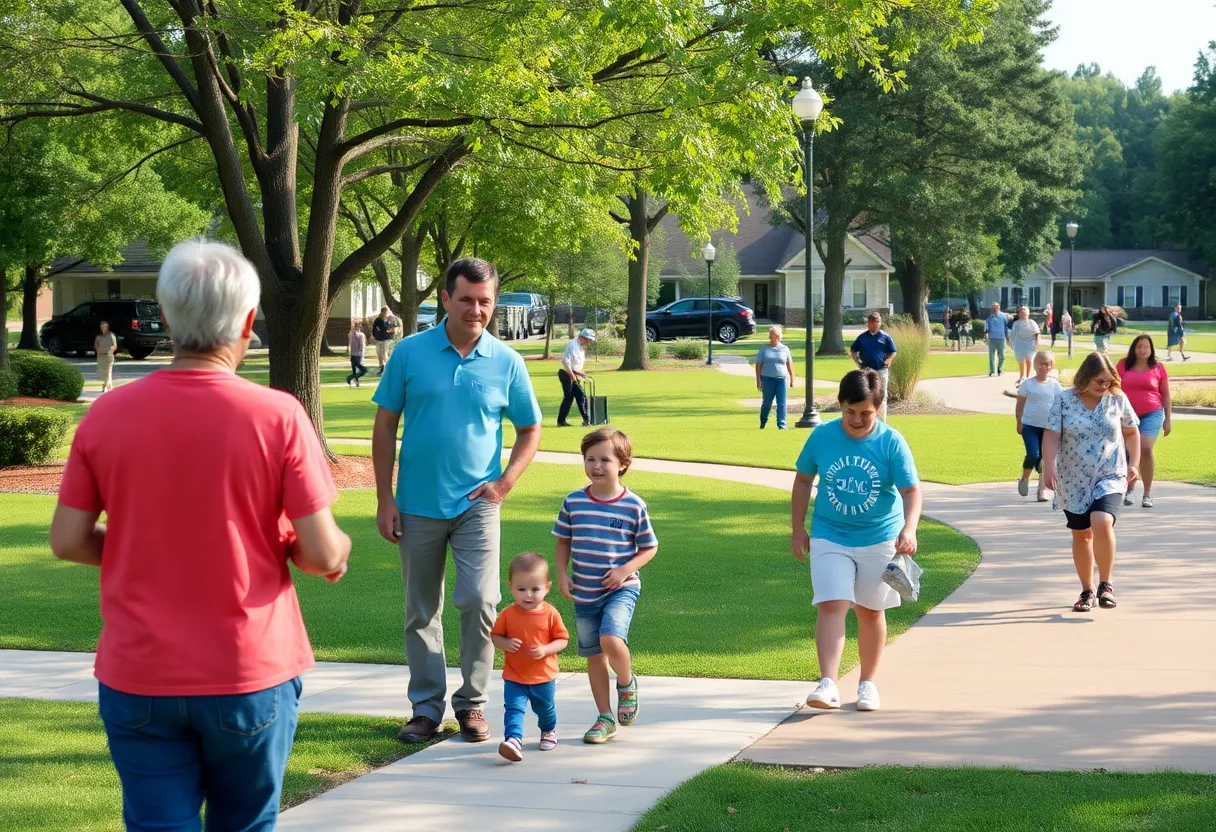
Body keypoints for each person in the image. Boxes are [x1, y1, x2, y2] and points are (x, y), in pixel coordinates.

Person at [49, 239, 351, 830]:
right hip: (249, 670)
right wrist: (324, 552)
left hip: (140, 673)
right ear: (246, 321)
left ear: (164, 315)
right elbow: (320, 551)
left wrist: (143, 551)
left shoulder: (106, 416)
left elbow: (67, 540)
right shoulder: (278, 416)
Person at [372, 258, 543, 745]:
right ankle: (426, 710)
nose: (476, 309)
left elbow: (530, 429)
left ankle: (471, 704)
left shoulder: (507, 361)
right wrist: (385, 500)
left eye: (485, 301)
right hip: (417, 505)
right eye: (466, 299)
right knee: (421, 610)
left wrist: (505, 482)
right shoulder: (409, 353)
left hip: (478, 505)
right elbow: (385, 425)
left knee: (481, 600)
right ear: (445, 299)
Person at [793, 369, 922, 713]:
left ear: (878, 408)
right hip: (829, 534)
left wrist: (908, 530)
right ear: (840, 404)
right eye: (850, 412)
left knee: (869, 610)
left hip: (880, 537)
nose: (856, 420)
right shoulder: (822, 437)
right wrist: (797, 528)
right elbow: (803, 480)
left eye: (866, 413)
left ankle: (867, 684)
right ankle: (828, 683)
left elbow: (911, 491)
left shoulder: (891, 441)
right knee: (832, 603)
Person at [554, 428, 658, 744]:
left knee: (611, 638)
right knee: (594, 655)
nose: (596, 466)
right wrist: (562, 573)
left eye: (605, 460)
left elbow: (649, 547)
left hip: (621, 588)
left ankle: (626, 684)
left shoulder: (633, 505)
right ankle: (604, 718)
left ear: (623, 464)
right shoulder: (573, 502)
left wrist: (625, 570)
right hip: (584, 590)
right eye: (590, 459)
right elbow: (563, 540)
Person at [1042, 352, 1140, 613]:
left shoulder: (1116, 400)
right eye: (1099, 381)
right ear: (1085, 377)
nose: (1103, 386)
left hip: (1110, 472)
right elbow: (1051, 436)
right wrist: (1047, 467)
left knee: (1101, 520)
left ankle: (1106, 585)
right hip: (1072, 478)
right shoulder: (1064, 399)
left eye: (1108, 381)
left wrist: (1134, 463)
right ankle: (1087, 590)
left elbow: (1131, 432)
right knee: (1082, 535)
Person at [491, 552, 570, 762]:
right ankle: (513, 739)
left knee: (545, 708)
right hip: (514, 675)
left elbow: (563, 639)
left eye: (535, 589)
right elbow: (495, 636)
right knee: (514, 708)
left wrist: (546, 650)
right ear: (510, 587)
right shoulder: (507, 614)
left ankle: (548, 730)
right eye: (521, 589)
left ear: (547, 587)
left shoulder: (550, 613)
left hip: (543, 676)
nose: (528, 595)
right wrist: (505, 643)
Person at [1116, 335, 1171, 508]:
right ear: (1134, 348)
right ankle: (1129, 490)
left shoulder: (1158, 368)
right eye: (1139, 347)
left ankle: (1147, 494)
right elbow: (1113, 388)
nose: (1142, 350)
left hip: (1152, 412)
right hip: (1126, 414)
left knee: (1145, 448)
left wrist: (1168, 419)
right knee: (1128, 451)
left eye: (1146, 347)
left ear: (1151, 349)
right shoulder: (1123, 366)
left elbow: (1166, 394)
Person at [1015, 350, 1062, 502]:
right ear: (1034, 365)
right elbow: (1020, 405)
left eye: (1047, 364)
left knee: (1044, 459)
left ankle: (1042, 490)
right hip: (1029, 426)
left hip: (1048, 428)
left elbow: (1061, 405)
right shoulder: (1027, 384)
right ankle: (1025, 479)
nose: (1043, 367)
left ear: (1051, 366)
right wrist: (1019, 422)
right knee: (1033, 455)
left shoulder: (1055, 385)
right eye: (1040, 363)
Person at [849, 312, 897, 419]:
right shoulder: (862, 337)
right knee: (867, 394)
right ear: (868, 323)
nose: (874, 325)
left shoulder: (885, 337)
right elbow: (853, 351)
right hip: (867, 371)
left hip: (881, 370)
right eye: (871, 323)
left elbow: (893, 351)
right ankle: (869, 418)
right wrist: (858, 362)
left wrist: (889, 359)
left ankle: (881, 421)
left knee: (882, 395)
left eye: (877, 322)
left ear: (879, 323)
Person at [755, 324, 795, 430]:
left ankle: (781, 424)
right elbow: (758, 365)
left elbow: (789, 364)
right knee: (767, 403)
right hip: (767, 379)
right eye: (770, 334)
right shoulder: (764, 349)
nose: (771, 336)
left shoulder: (785, 349)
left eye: (773, 334)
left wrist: (791, 378)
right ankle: (763, 421)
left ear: (778, 336)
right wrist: (758, 380)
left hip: (781, 379)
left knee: (781, 403)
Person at [558, 328, 595, 427]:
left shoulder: (580, 347)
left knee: (580, 396)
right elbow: (565, 362)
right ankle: (562, 421)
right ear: (583, 338)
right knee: (570, 397)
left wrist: (581, 374)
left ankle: (586, 419)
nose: (590, 342)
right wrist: (573, 376)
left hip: (573, 373)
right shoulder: (572, 345)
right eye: (589, 340)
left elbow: (575, 365)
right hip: (566, 373)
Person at [1010, 306, 1041, 384]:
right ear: (1019, 314)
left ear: (1028, 314)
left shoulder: (1032, 322)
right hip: (1019, 344)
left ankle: (1028, 376)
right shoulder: (1016, 323)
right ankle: (1021, 376)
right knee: (1021, 361)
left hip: (1030, 344)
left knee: (1029, 360)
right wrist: (1012, 343)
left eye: (1024, 312)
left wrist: (1037, 344)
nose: (1023, 314)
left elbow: (1037, 334)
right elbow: (1013, 334)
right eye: (1021, 312)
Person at [984, 302, 1010, 377]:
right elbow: (986, 328)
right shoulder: (989, 318)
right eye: (993, 308)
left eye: (996, 308)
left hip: (1001, 338)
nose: (994, 309)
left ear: (999, 308)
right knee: (991, 355)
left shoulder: (1003, 317)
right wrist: (986, 336)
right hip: (992, 338)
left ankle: (1000, 369)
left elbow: (1006, 327)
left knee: (1001, 355)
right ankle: (992, 370)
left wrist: (1007, 336)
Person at [372, 306, 397, 373]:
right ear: (382, 312)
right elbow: (378, 329)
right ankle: (382, 368)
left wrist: (389, 330)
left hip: (386, 340)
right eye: (384, 312)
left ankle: (388, 368)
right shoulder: (378, 320)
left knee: (384, 354)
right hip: (379, 339)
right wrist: (376, 335)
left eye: (386, 312)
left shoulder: (390, 320)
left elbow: (393, 329)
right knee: (379, 354)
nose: (385, 313)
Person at [95, 320, 117, 393]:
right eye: (102, 326)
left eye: (104, 326)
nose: (103, 328)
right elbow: (96, 345)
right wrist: (98, 350)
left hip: (109, 356)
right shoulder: (98, 336)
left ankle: (105, 387)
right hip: (101, 356)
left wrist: (110, 351)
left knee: (108, 372)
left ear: (107, 327)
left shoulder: (111, 335)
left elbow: (115, 345)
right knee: (104, 372)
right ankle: (109, 386)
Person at [346, 320, 368, 387]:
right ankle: (350, 378)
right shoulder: (360, 335)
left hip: (353, 354)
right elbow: (361, 346)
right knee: (363, 370)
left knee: (355, 370)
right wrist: (362, 353)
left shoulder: (350, 334)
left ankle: (356, 383)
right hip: (358, 354)